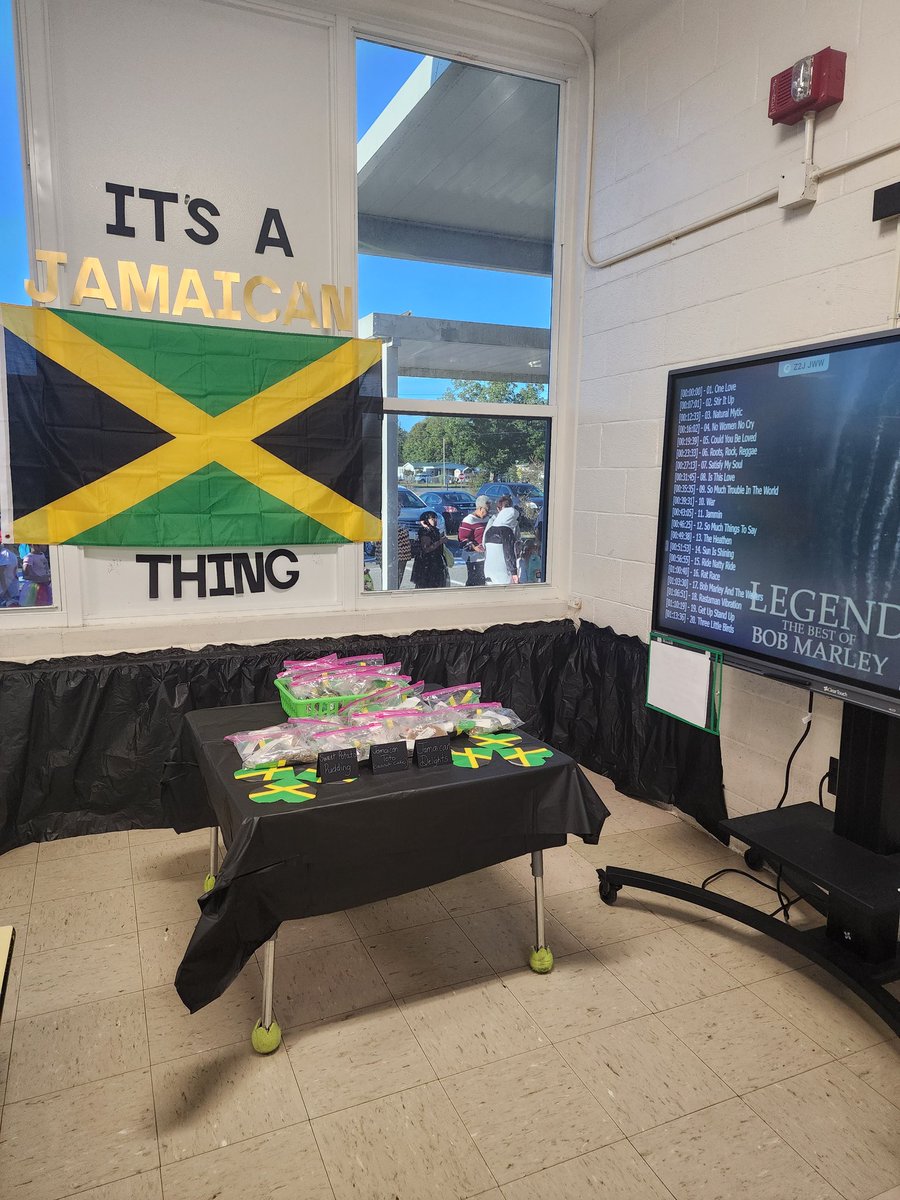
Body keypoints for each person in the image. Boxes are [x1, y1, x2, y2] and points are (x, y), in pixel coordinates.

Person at [483, 494, 519, 585]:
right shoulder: (506, 531)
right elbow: (508, 553)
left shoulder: (490, 530)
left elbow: (485, 547)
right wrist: (514, 572)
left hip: (488, 570)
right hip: (502, 572)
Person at [410, 510, 449, 588]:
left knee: (437, 583)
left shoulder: (435, 530)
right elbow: (426, 549)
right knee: (426, 584)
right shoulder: (424, 531)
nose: (435, 520)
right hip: (427, 562)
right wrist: (440, 541)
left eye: (435, 518)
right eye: (432, 519)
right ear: (426, 521)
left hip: (435, 560)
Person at [457, 496, 490, 586]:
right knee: (474, 579)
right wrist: (474, 547)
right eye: (486, 510)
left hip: (485, 555)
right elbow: (462, 539)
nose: (487, 513)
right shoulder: (469, 520)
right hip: (473, 557)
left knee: (483, 579)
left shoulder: (487, 519)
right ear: (480, 508)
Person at [0, 540, 19, 606]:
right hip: (6, 595)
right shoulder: (5, 554)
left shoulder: (9, 553)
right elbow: (1, 573)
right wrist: (5, 592)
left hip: (13, 592)